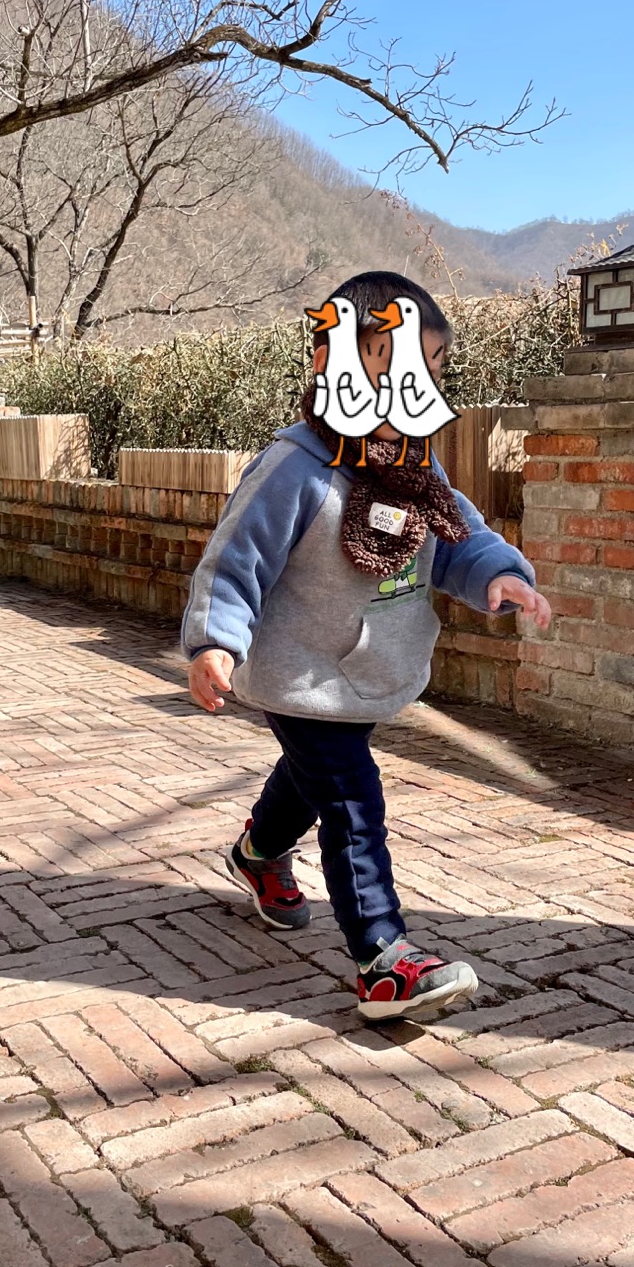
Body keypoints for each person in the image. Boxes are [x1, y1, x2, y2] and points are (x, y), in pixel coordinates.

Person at [182, 271, 552, 1022]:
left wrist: (499, 573)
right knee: (351, 800)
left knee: (311, 776)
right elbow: (234, 558)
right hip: (299, 667)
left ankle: (255, 853)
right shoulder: (293, 467)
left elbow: (457, 536)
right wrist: (214, 641)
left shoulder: (414, 466)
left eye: (431, 373)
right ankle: (383, 958)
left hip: (370, 666)